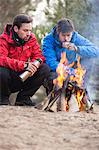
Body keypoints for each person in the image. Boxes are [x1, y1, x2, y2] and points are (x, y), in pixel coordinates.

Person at [42, 18, 99, 102]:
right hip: (56, 71)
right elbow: (50, 62)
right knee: (49, 73)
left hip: (73, 68)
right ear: (58, 33)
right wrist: (70, 71)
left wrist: (77, 48)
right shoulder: (49, 40)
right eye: (63, 35)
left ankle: (82, 92)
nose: (66, 38)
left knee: (90, 60)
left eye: (68, 35)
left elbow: (96, 51)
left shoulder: (76, 37)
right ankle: (56, 98)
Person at [0, 14, 51, 105]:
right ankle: (3, 98)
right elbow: (1, 59)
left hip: (23, 76)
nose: (28, 33)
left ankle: (23, 98)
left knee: (44, 68)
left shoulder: (31, 38)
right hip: (8, 79)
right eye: (25, 30)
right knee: (1, 70)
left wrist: (33, 65)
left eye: (30, 31)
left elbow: (39, 56)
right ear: (16, 29)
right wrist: (24, 65)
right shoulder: (3, 39)